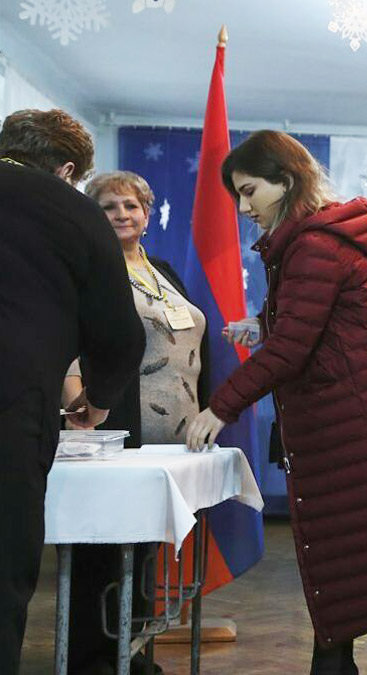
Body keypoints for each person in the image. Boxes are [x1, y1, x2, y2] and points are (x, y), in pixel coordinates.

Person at [185, 130, 367, 675]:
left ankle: (333, 663)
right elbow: (321, 323)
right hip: (356, 419)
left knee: (341, 558)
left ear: (286, 181)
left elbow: (294, 349)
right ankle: (334, 661)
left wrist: (219, 407)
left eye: (250, 192)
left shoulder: (313, 246)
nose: (245, 208)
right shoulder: (317, 239)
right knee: (345, 562)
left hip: (349, 426)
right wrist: (263, 323)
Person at [0, 109, 144, 673]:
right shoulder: (74, 212)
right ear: (65, 169)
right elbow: (117, 331)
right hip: (12, 406)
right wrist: (98, 399)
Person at [62, 170, 208, 675]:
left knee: (144, 551)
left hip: (174, 435)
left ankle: (131, 649)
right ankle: (92, 659)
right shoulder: (88, 267)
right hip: (115, 425)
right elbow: (70, 342)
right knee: (101, 550)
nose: (122, 215)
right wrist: (77, 403)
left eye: (131, 206)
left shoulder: (162, 268)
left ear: (147, 213)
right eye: (109, 207)